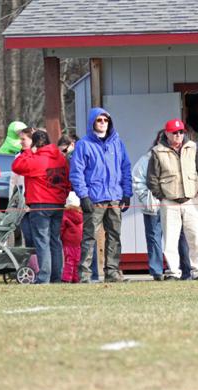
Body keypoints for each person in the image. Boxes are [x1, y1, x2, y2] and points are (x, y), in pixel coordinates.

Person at [69, 107, 133, 283]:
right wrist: (83, 196)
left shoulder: (117, 143)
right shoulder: (84, 144)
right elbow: (76, 172)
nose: (103, 123)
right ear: (93, 122)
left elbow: (125, 168)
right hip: (94, 198)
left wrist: (127, 193)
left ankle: (112, 272)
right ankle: (84, 275)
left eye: (106, 120)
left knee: (114, 236)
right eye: (99, 120)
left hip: (114, 197)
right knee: (89, 237)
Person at [147, 119, 198, 280]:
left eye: (181, 132)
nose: (178, 135)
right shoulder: (157, 151)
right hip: (169, 201)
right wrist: (161, 196)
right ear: (167, 134)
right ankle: (173, 272)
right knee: (170, 240)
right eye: (175, 132)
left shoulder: (194, 148)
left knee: (197, 237)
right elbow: (152, 178)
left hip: (191, 199)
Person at [132, 129, 192, 281]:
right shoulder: (147, 158)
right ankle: (157, 271)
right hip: (154, 205)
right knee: (154, 238)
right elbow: (137, 179)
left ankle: (184, 271)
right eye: (162, 138)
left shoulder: (179, 157)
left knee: (179, 238)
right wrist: (146, 198)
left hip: (174, 204)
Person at [12, 130, 70, 284]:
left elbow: (17, 166)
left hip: (40, 204)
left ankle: (44, 277)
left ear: (35, 143)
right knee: (55, 240)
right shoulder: (60, 158)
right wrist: (63, 195)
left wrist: (27, 151)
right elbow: (67, 180)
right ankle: (56, 277)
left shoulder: (35, 159)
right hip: (58, 204)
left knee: (42, 241)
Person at [9, 126, 36, 247]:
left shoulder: (39, 155)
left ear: (32, 140)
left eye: (23, 139)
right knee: (27, 235)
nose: (20, 142)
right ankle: (31, 257)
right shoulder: (18, 156)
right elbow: (13, 182)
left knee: (37, 236)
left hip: (36, 201)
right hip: (22, 202)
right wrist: (12, 202)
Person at [61, 191, 83, 283]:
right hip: (79, 241)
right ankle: (76, 278)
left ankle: (67, 278)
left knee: (69, 259)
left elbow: (62, 227)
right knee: (77, 260)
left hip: (68, 241)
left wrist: (59, 236)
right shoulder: (81, 214)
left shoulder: (65, 214)